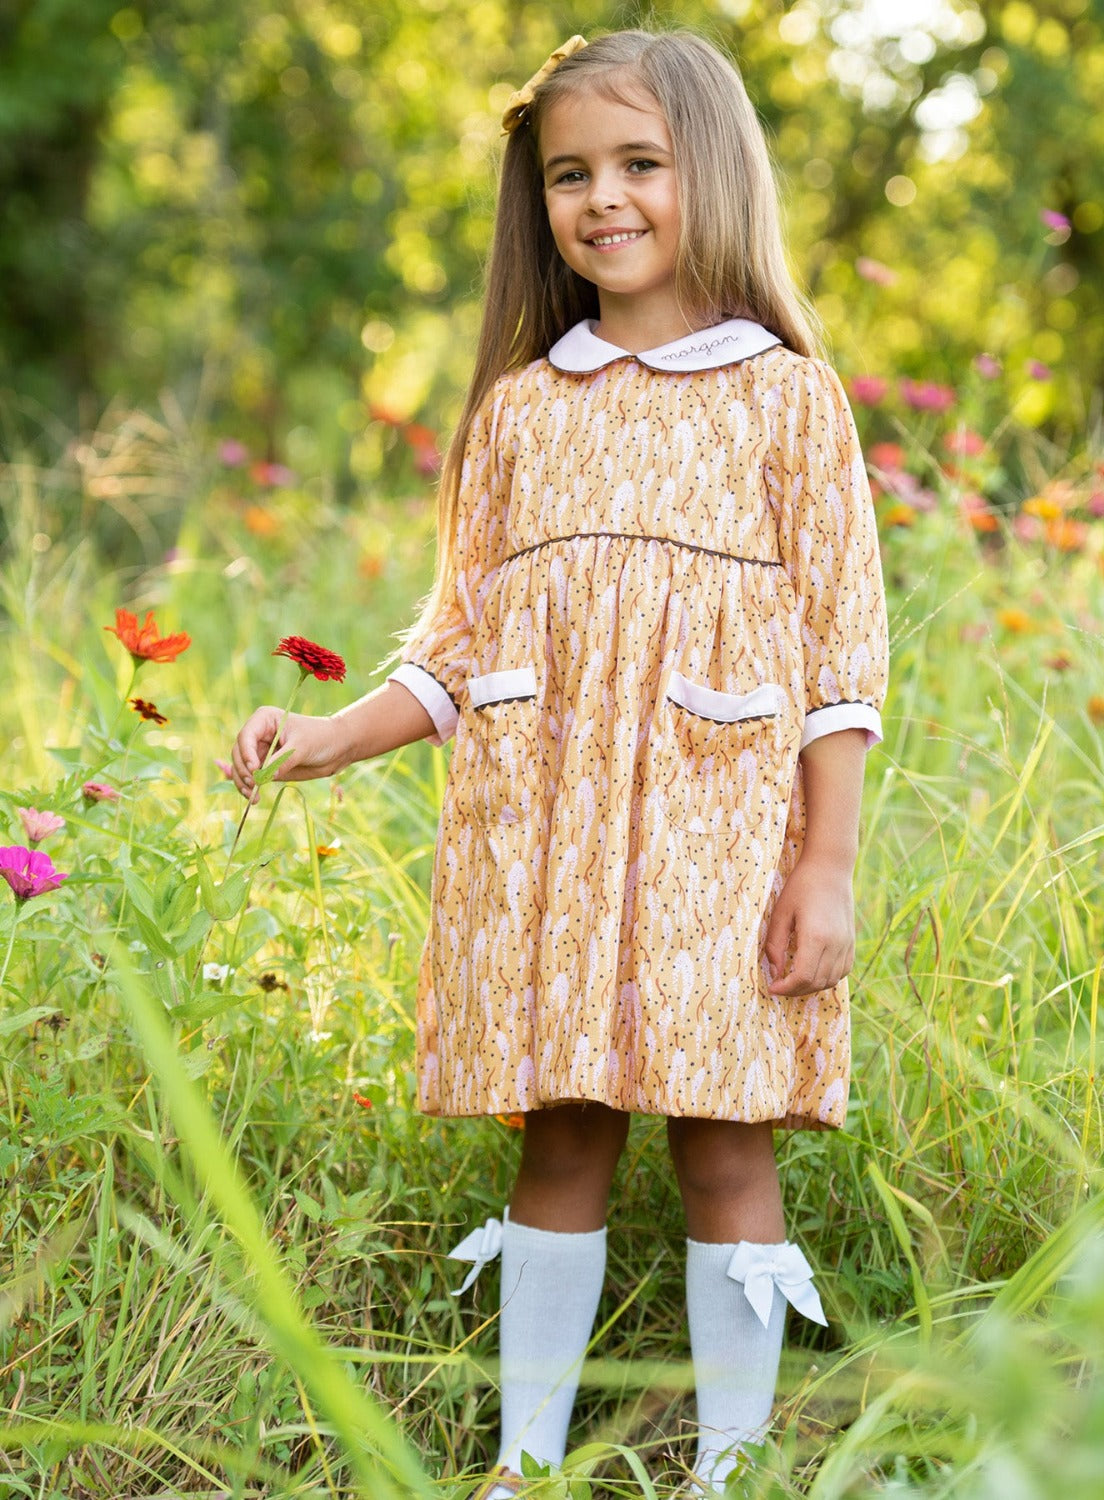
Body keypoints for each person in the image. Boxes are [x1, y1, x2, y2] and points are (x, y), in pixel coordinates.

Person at [231, 26, 888, 1496]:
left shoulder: (785, 398)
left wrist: (827, 864)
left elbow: (846, 664)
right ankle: (526, 1461)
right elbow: (462, 641)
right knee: (565, 1128)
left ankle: (735, 1465)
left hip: (725, 846)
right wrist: (331, 736)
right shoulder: (525, 412)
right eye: (570, 175)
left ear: (708, 174)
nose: (605, 200)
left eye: (640, 165)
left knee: (725, 1138)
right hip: (549, 844)